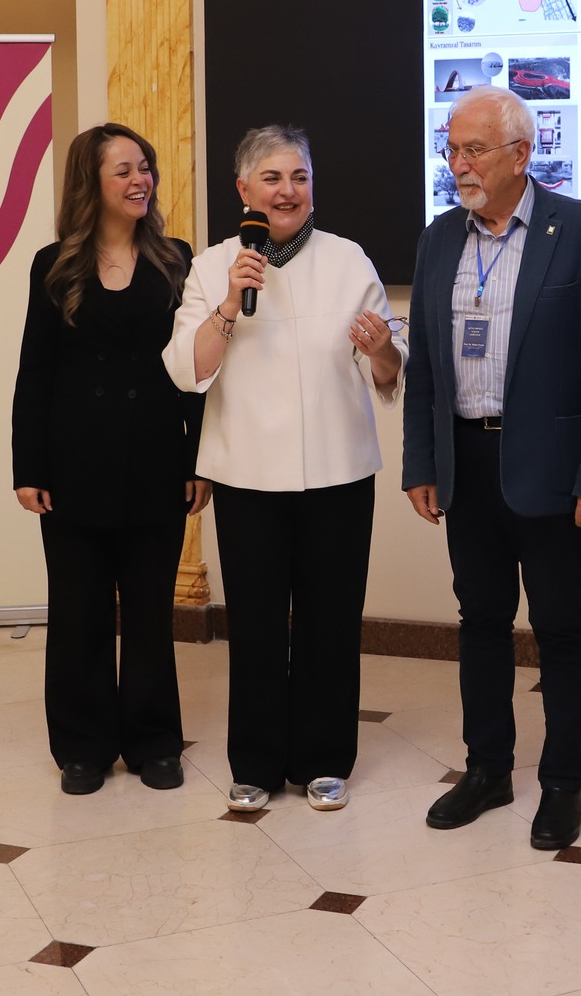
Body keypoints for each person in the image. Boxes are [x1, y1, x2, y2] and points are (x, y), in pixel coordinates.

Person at [402, 86, 581, 850]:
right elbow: (426, 362)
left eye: (473, 150)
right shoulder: (440, 239)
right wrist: (421, 460)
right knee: (481, 623)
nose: (458, 164)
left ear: (521, 154)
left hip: (551, 468)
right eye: (452, 150)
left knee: (560, 627)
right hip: (465, 462)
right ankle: (488, 770)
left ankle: (562, 783)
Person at [162, 125, 403, 813]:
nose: (288, 191)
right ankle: (256, 762)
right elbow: (185, 371)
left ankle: (325, 759)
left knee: (331, 621)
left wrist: (383, 350)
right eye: (272, 178)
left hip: (338, 472)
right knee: (257, 625)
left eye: (299, 177)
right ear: (244, 189)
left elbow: (389, 370)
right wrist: (227, 307)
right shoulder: (214, 266)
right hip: (247, 476)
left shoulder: (348, 259)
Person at [12, 123, 208, 797]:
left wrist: (198, 457)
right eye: (123, 169)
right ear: (89, 183)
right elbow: (35, 371)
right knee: (79, 612)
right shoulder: (53, 265)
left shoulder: (177, 260)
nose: (140, 179)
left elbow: (197, 372)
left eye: (144, 167)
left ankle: (155, 743)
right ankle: (83, 747)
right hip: (73, 465)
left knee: (150, 611)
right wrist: (28, 468)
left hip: (156, 459)